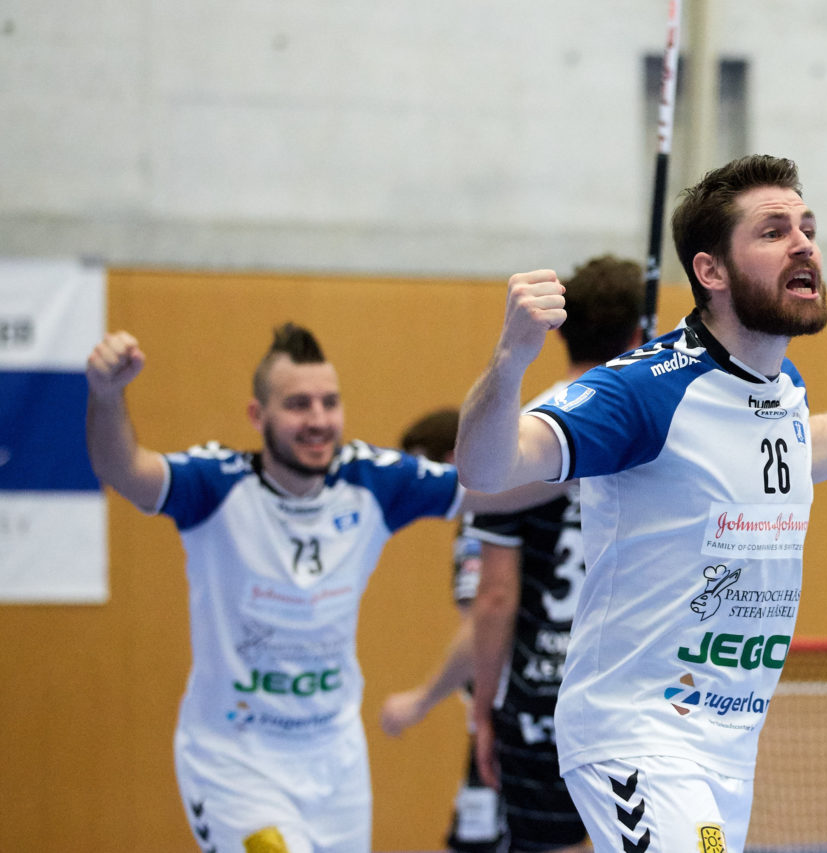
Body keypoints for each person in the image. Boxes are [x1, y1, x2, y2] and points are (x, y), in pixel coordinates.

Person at [453, 154, 827, 853]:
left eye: (808, 226)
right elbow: (485, 468)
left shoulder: (780, 385)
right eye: (773, 231)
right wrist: (509, 360)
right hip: (638, 734)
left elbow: (796, 450)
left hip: (728, 743)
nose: (803, 243)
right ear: (711, 271)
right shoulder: (646, 388)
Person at [85, 323, 547, 853]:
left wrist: (597, 461)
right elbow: (122, 468)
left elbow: (496, 489)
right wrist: (106, 393)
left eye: (329, 403)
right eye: (298, 405)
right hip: (236, 761)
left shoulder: (371, 480)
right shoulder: (215, 485)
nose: (319, 420)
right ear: (258, 417)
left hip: (336, 764)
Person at [465, 255, 645, 853]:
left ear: (562, 329)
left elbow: (494, 598)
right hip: (626, 693)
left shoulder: (520, 430)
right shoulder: (645, 420)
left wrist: (485, 709)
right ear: (640, 335)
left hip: (541, 700)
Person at [380, 408, 508, 853]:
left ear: (453, 459)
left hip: (515, 714)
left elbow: (485, 624)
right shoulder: (533, 493)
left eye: (421, 471)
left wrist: (421, 700)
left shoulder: (482, 513)